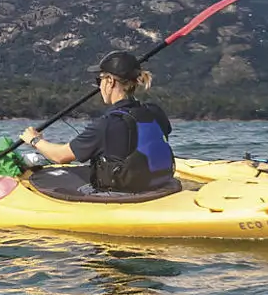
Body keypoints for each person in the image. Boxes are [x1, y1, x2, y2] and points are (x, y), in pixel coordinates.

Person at [20, 50, 176, 193]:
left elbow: (60, 156)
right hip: (158, 182)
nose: (98, 86)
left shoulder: (108, 123)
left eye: (99, 80)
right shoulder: (155, 111)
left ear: (110, 82)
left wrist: (34, 140)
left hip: (123, 192)